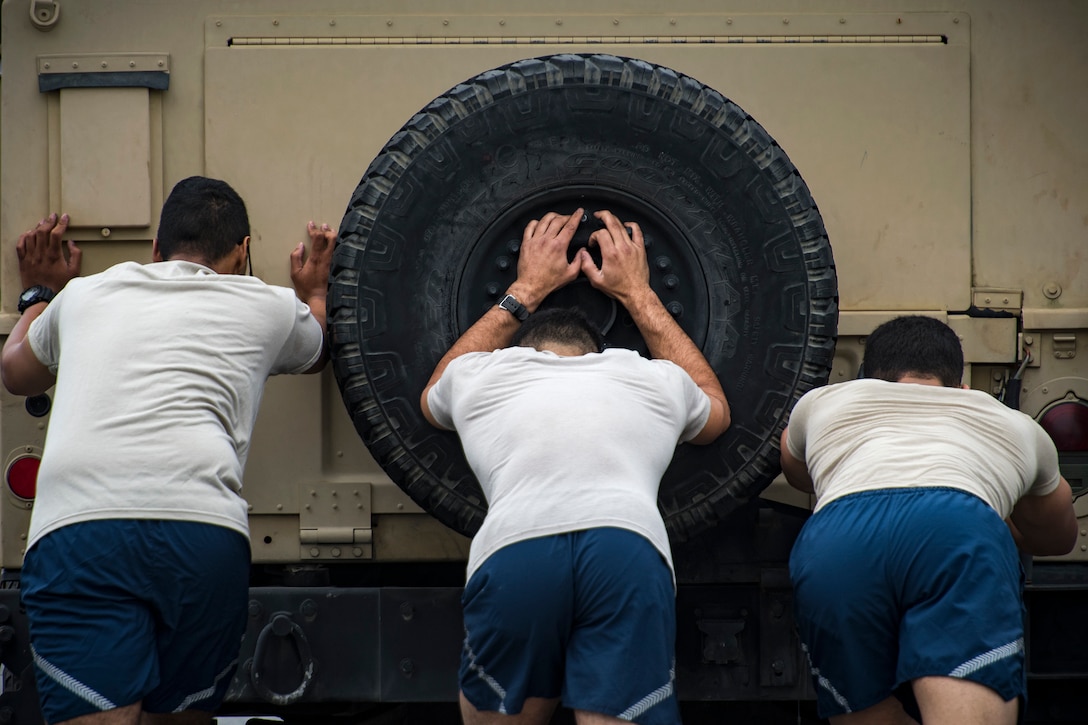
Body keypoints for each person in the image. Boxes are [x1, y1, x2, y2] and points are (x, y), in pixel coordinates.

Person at [0, 176, 335, 725]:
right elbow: (319, 346)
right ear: (242, 251)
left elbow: (16, 373)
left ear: (156, 251)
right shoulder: (267, 306)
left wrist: (40, 294)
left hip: (81, 530)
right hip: (202, 532)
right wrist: (314, 293)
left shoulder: (85, 295)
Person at [420, 208, 731, 725]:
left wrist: (525, 288)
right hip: (626, 544)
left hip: (516, 545)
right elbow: (715, 412)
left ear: (524, 352)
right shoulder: (644, 376)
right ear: (597, 353)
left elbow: (433, 393)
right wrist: (637, 293)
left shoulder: (482, 375)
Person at [779, 315, 1077, 725]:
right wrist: (995, 505)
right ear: (962, 388)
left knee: (867, 714)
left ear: (867, 378)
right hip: (958, 530)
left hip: (838, 539)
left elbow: (800, 475)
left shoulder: (822, 403)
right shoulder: (1016, 426)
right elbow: (1057, 538)